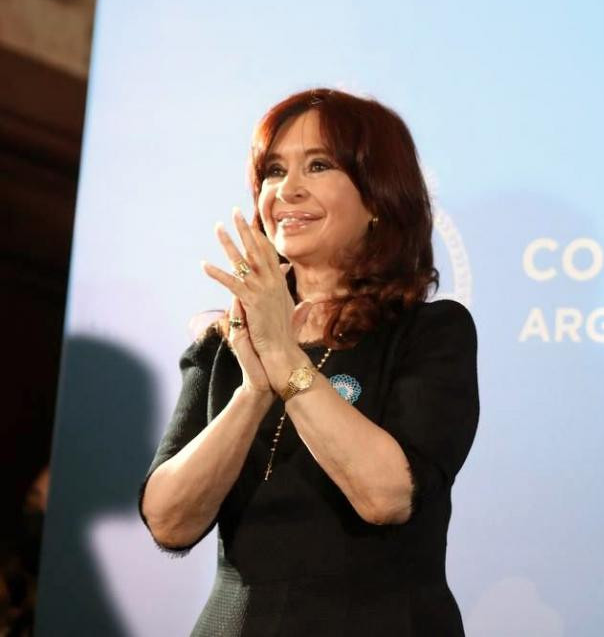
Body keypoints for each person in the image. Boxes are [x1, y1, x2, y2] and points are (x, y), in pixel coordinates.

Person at [140, 88, 478, 635]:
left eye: (318, 165)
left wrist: (285, 359)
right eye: (273, 171)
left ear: (377, 199)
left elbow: (386, 495)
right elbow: (169, 520)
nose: (287, 190)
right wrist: (252, 391)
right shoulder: (224, 343)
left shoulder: (432, 333)